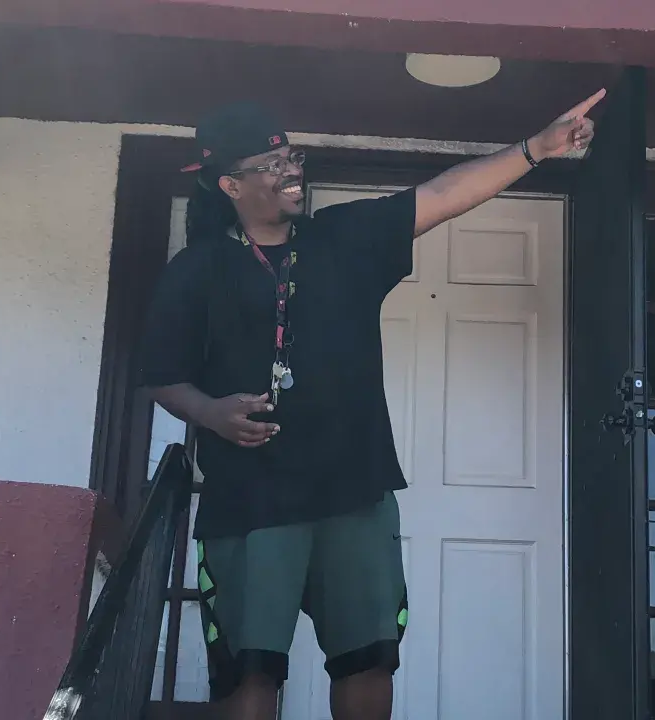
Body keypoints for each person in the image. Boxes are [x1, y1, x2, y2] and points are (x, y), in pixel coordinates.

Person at [137, 90, 605, 720]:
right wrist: (211, 413)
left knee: (368, 662)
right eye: (271, 165)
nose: (290, 172)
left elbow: (443, 193)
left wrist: (537, 148)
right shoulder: (195, 270)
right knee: (249, 673)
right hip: (251, 498)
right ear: (230, 184)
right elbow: (162, 377)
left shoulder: (343, 238)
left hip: (354, 490)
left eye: (293, 157)